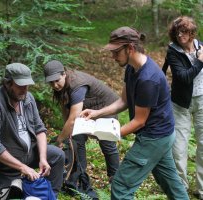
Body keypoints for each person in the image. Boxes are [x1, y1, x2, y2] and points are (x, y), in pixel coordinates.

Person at [80, 26, 189, 199]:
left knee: (121, 186)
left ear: (130, 48)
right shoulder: (132, 68)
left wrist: (106, 133)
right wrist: (96, 113)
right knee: (172, 185)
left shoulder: (148, 79)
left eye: (116, 52)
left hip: (154, 138)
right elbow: (123, 101)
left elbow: (139, 121)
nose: (113, 57)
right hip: (163, 135)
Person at [0, 63, 65, 200]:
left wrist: (43, 158)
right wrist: (22, 168)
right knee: (5, 194)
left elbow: (39, 128)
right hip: (5, 165)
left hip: (28, 153)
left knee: (57, 155)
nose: (25, 90)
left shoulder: (28, 98)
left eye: (27, 85)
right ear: (8, 84)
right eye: (20, 85)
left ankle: (50, 195)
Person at [43, 60, 120, 198]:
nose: (55, 85)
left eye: (57, 80)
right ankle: (80, 175)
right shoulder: (61, 87)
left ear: (64, 74)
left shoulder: (77, 84)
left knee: (107, 142)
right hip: (86, 110)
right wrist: (67, 133)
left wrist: (60, 139)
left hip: (106, 107)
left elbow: (73, 119)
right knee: (77, 138)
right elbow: (66, 111)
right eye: (51, 83)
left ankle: (115, 179)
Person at [163, 16, 203, 199]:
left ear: (192, 32)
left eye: (185, 31)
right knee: (179, 147)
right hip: (181, 104)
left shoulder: (200, 46)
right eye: (178, 32)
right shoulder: (173, 52)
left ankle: (201, 189)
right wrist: (199, 61)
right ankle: (180, 189)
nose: (181, 35)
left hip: (202, 101)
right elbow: (184, 77)